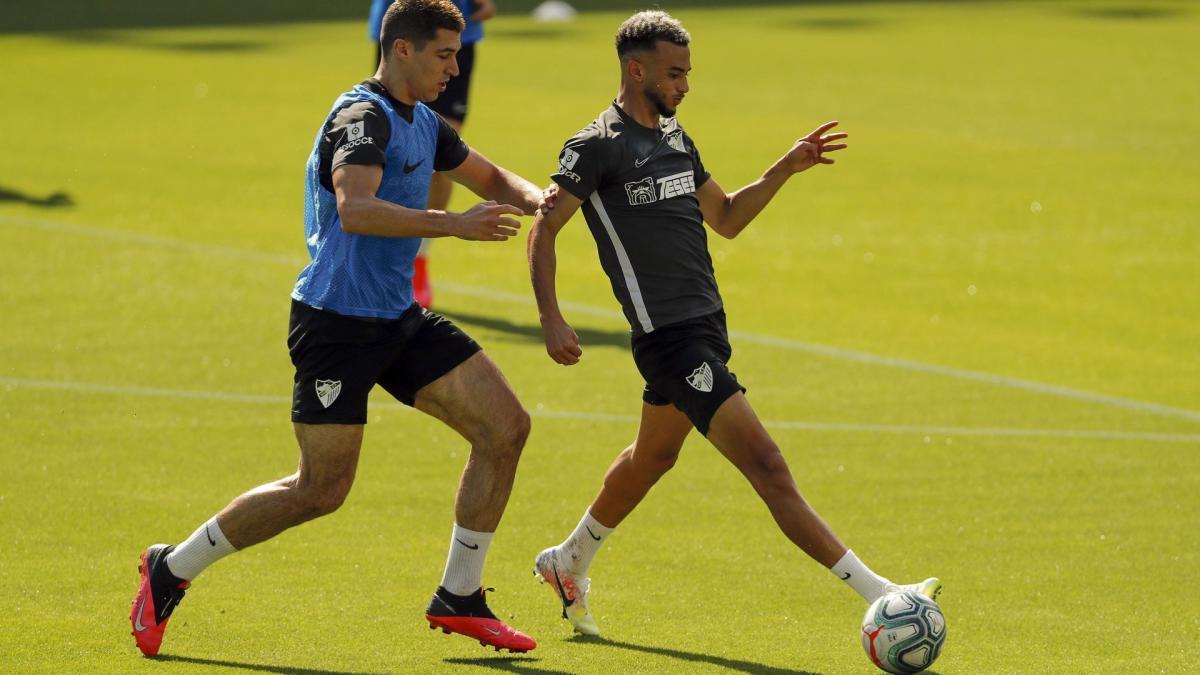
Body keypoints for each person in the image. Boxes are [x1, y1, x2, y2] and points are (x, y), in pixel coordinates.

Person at [130, 0, 542, 656]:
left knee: (506, 427)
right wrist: (454, 225)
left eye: (457, 54)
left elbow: (490, 176)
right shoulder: (363, 117)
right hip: (336, 324)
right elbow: (356, 210)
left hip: (396, 318)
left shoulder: (424, 120)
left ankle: (459, 593)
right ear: (401, 50)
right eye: (444, 54)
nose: (455, 67)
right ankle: (170, 568)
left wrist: (549, 198)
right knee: (320, 490)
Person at [527, 10, 941, 637]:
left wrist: (783, 169)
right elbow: (544, 227)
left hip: (707, 326)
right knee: (767, 465)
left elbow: (724, 216)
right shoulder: (597, 146)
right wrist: (550, 317)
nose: (685, 85)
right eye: (674, 73)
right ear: (636, 70)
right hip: (669, 339)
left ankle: (568, 559)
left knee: (652, 457)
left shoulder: (675, 137)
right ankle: (883, 595)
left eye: (688, 73)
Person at [370, 0, 497, 308]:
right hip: (406, 33)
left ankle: (418, 259)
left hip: (456, 36)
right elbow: (353, 208)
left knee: (439, 157)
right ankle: (387, 257)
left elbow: (485, 7)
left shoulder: (452, 57)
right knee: (394, 150)